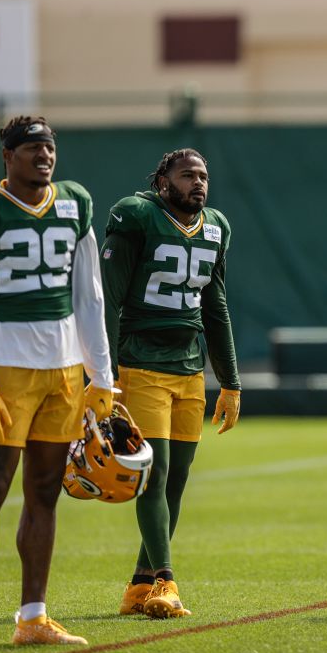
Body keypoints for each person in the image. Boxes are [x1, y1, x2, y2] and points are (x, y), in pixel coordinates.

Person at [0, 116, 115, 648]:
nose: (44, 156)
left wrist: (101, 375)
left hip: (64, 370)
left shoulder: (74, 203)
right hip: (6, 368)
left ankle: (33, 617)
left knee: (45, 492)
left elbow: (90, 295)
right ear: (7, 155)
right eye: (32, 148)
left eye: (49, 147)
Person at [100, 148, 241, 619]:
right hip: (140, 364)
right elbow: (110, 298)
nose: (198, 183)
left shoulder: (216, 226)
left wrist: (231, 382)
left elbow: (215, 308)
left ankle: (139, 586)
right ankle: (165, 580)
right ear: (163, 182)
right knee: (154, 476)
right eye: (187, 175)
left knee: (176, 481)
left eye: (203, 175)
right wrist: (104, 372)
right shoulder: (137, 215)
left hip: (189, 368)